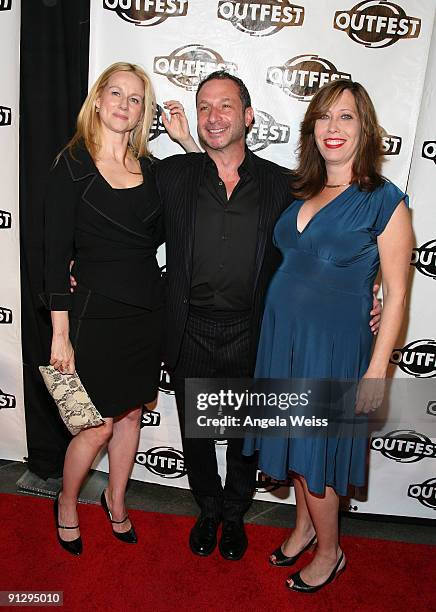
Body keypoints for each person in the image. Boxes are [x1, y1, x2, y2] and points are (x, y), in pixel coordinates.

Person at [155, 71, 382, 561]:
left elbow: (322, 247)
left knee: (242, 435)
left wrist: (367, 294)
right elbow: (129, 223)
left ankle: (235, 514)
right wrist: (77, 261)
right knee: (196, 432)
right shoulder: (175, 174)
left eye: (226, 106)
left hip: (253, 332)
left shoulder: (285, 185)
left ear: (249, 115)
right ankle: (208, 511)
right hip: (189, 327)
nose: (214, 116)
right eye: (205, 107)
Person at [243, 80, 413, 591]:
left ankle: (331, 552)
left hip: (333, 349)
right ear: (311, 129)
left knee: (315, 448)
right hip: (284, 342)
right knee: (296, 447)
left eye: (345, 118)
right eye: (324, 118)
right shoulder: (303, 190)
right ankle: (301, 529)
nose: (332, 129)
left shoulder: (385, 201)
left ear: (365, 130)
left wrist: (378, 369)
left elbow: (399, 296)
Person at [42, 61, 197, 556]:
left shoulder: (152, 170)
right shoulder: (71, 165)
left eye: (135, 99)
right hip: (92, 314)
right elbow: (51, 257)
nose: (124, 105)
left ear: (143, 111)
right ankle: (67, 503)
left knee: (130, 417)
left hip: (145, 310)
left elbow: (205, 196)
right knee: (96, 424)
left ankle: (117, 499)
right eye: (116, 93)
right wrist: (59, 333)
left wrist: (187, 142)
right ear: (98, 99)